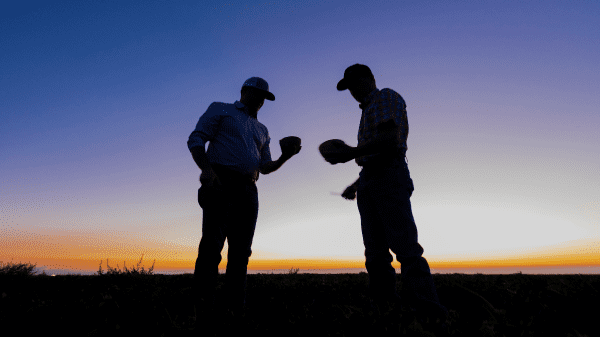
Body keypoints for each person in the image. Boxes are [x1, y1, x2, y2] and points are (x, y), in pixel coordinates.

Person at [325, 64, 449, 326]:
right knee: (375, 252)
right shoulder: (369, 110)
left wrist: (350, 153)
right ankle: (385, 308)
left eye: (356, 84)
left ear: (370, 79)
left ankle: (428, 312)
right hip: (372, 179)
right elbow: (374, 157)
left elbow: (390, 141)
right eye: (349, 88)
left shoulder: (385, 97)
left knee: (405, 248)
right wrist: (357, 185)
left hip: (388, 177)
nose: (353, 92)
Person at [187, 77, 301, 330]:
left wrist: (286, 156)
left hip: (249, 189)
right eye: (257, 94)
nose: (261, 100)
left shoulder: (262, 130)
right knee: (212, 247)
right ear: (244, 91)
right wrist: (206, 169)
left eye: (265, 97)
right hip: (220, 181)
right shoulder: (221, 108)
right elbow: (196, 139)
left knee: (241, 253)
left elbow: (265, 166)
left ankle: (234, 309)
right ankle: (203, 309)